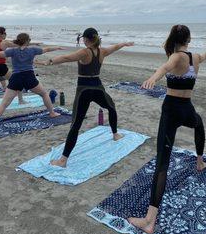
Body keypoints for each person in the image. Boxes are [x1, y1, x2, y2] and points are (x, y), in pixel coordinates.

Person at [128, 24, 206, 234]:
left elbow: (164, 67)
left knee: (162, 162)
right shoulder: (195, 57)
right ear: (189, 39)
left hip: (171, 111)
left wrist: (153, 78)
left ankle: (149, 221)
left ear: (174, 38)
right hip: (187, 109)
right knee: (199, 124)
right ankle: (200, 161)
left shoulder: (177, 56)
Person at [35, 27, 134, 168]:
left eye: (83, 38)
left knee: (76, 124)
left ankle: (63, 160)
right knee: (111, 107)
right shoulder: (102, 51)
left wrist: (49, 61)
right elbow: (115, 47)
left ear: (86, 39)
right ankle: (115, 134)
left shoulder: (84, 52)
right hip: (98, 87)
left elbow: (66, 58)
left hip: (84, 89)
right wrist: (124, 44)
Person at [0, 33, 63, 130]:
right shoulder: (33, 49)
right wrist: (57, 47)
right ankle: (52, 113)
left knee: (4, 103)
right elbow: (47, 49)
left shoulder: (12, 51)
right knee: (44, 94)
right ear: (27, 41)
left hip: (16, 78)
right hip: (29, 77)